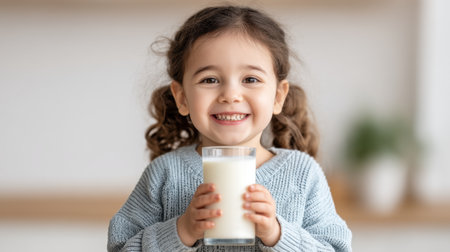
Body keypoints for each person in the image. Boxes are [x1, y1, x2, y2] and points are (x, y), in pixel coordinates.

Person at [108, 5, 352, 252]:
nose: (231, 95)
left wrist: (278, 234)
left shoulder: (303, 174)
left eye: (251, 79)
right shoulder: (164, 174)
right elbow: (120, 247)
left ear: (278, 96)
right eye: (210, 80)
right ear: (181, 97)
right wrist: (180, 231)